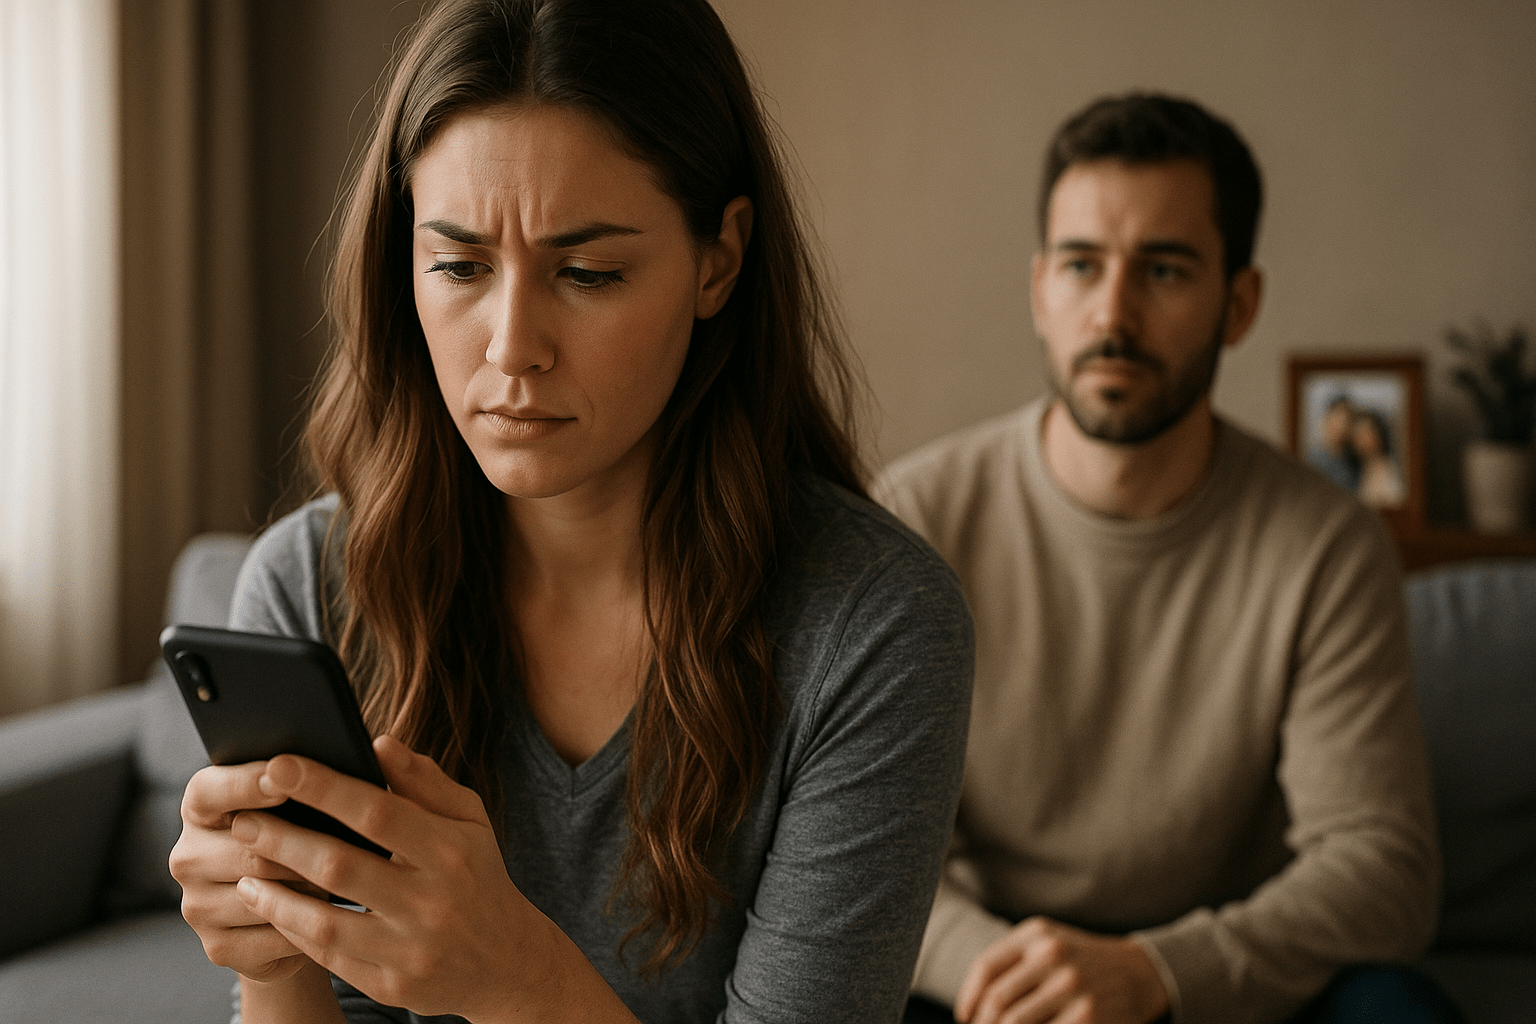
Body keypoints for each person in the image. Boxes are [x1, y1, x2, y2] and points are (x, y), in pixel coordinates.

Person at [169, 1, 974, 1021]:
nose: (511, 347)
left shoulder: (873, 626)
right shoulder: (309, 583)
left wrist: (516, 977)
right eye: (458, 266)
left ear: (718, 261)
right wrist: (274, 955)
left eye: (588, 273)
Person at [874, 94, 1449, 1024]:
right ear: (1039, 291)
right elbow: (861, 849)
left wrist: (1154, 972)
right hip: (998, 972)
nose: (1114, 311)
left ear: (1240, 303)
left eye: (1166, 270)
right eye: (1081, 265)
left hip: (1214, 973)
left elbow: (1384, 869)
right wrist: (1025, 979)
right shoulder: (914, 518)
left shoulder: (1326, 545)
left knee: (1397, 1011)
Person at [1306, 395, 1361, 493]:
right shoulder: (1313, 459)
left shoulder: (1354, 460)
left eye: (1347, 421)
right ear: (1328, 419)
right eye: (1338, 418)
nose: (1342, 426)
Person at [1352, 409, 1406, 509]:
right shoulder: (1357, 470)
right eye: (1358, 435)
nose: (1362, 440)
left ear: (1379, 434)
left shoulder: (1393, 467)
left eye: (1367, 433)